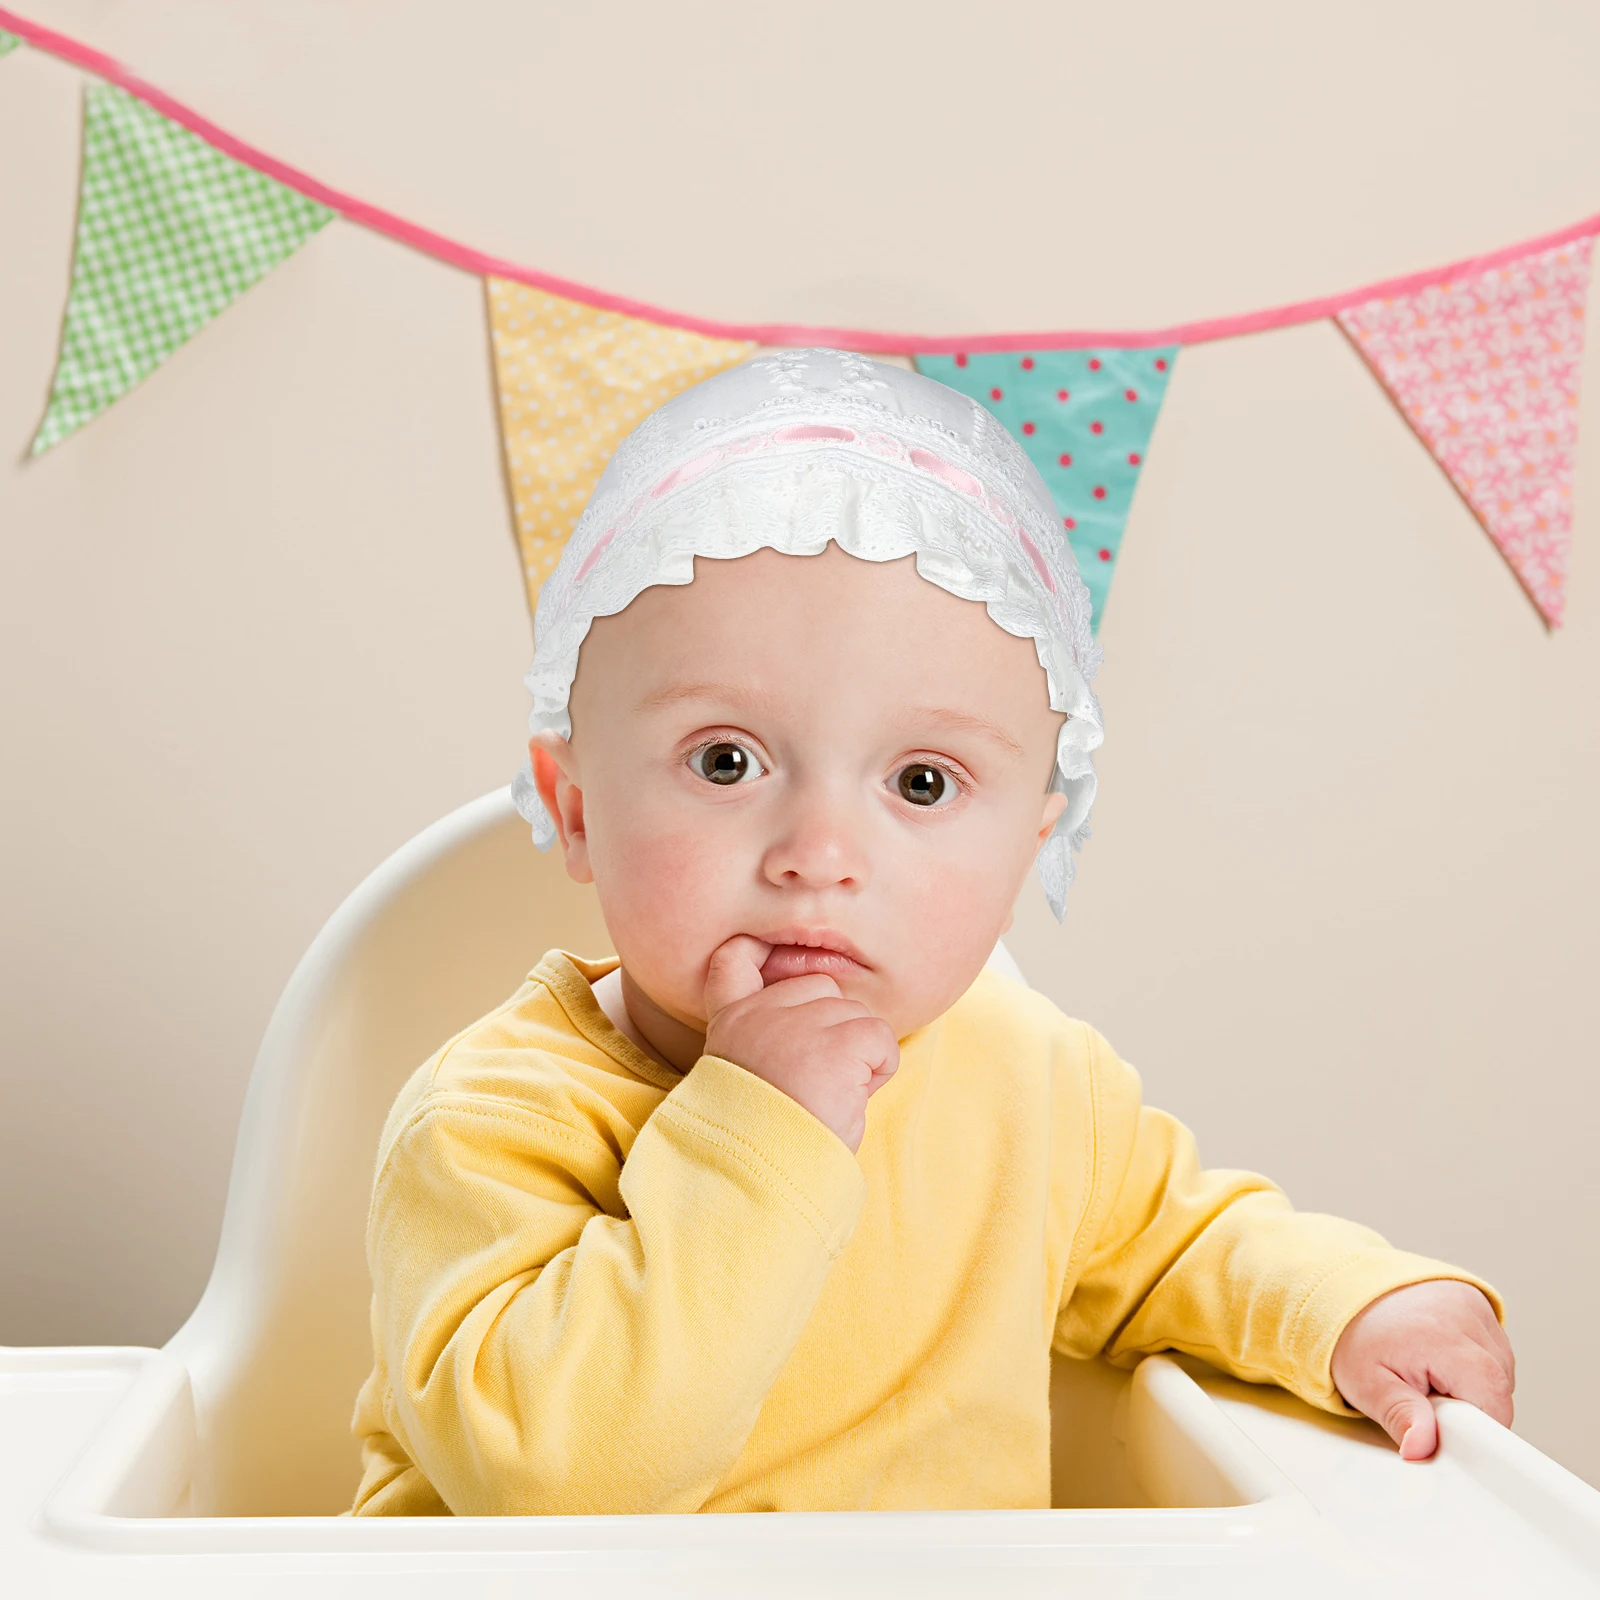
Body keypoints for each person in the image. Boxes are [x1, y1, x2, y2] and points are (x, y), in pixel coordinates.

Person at [348, 349, 1512, 1517]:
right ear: (577, 810)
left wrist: (1355, 1306)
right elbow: (555, 1478)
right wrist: (761, 1131)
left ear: (1030, 845)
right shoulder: (492, 1126)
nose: (817, 849)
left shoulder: (1032, 1085)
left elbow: (1185, 1247)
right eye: (725, 760)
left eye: (919, 782)